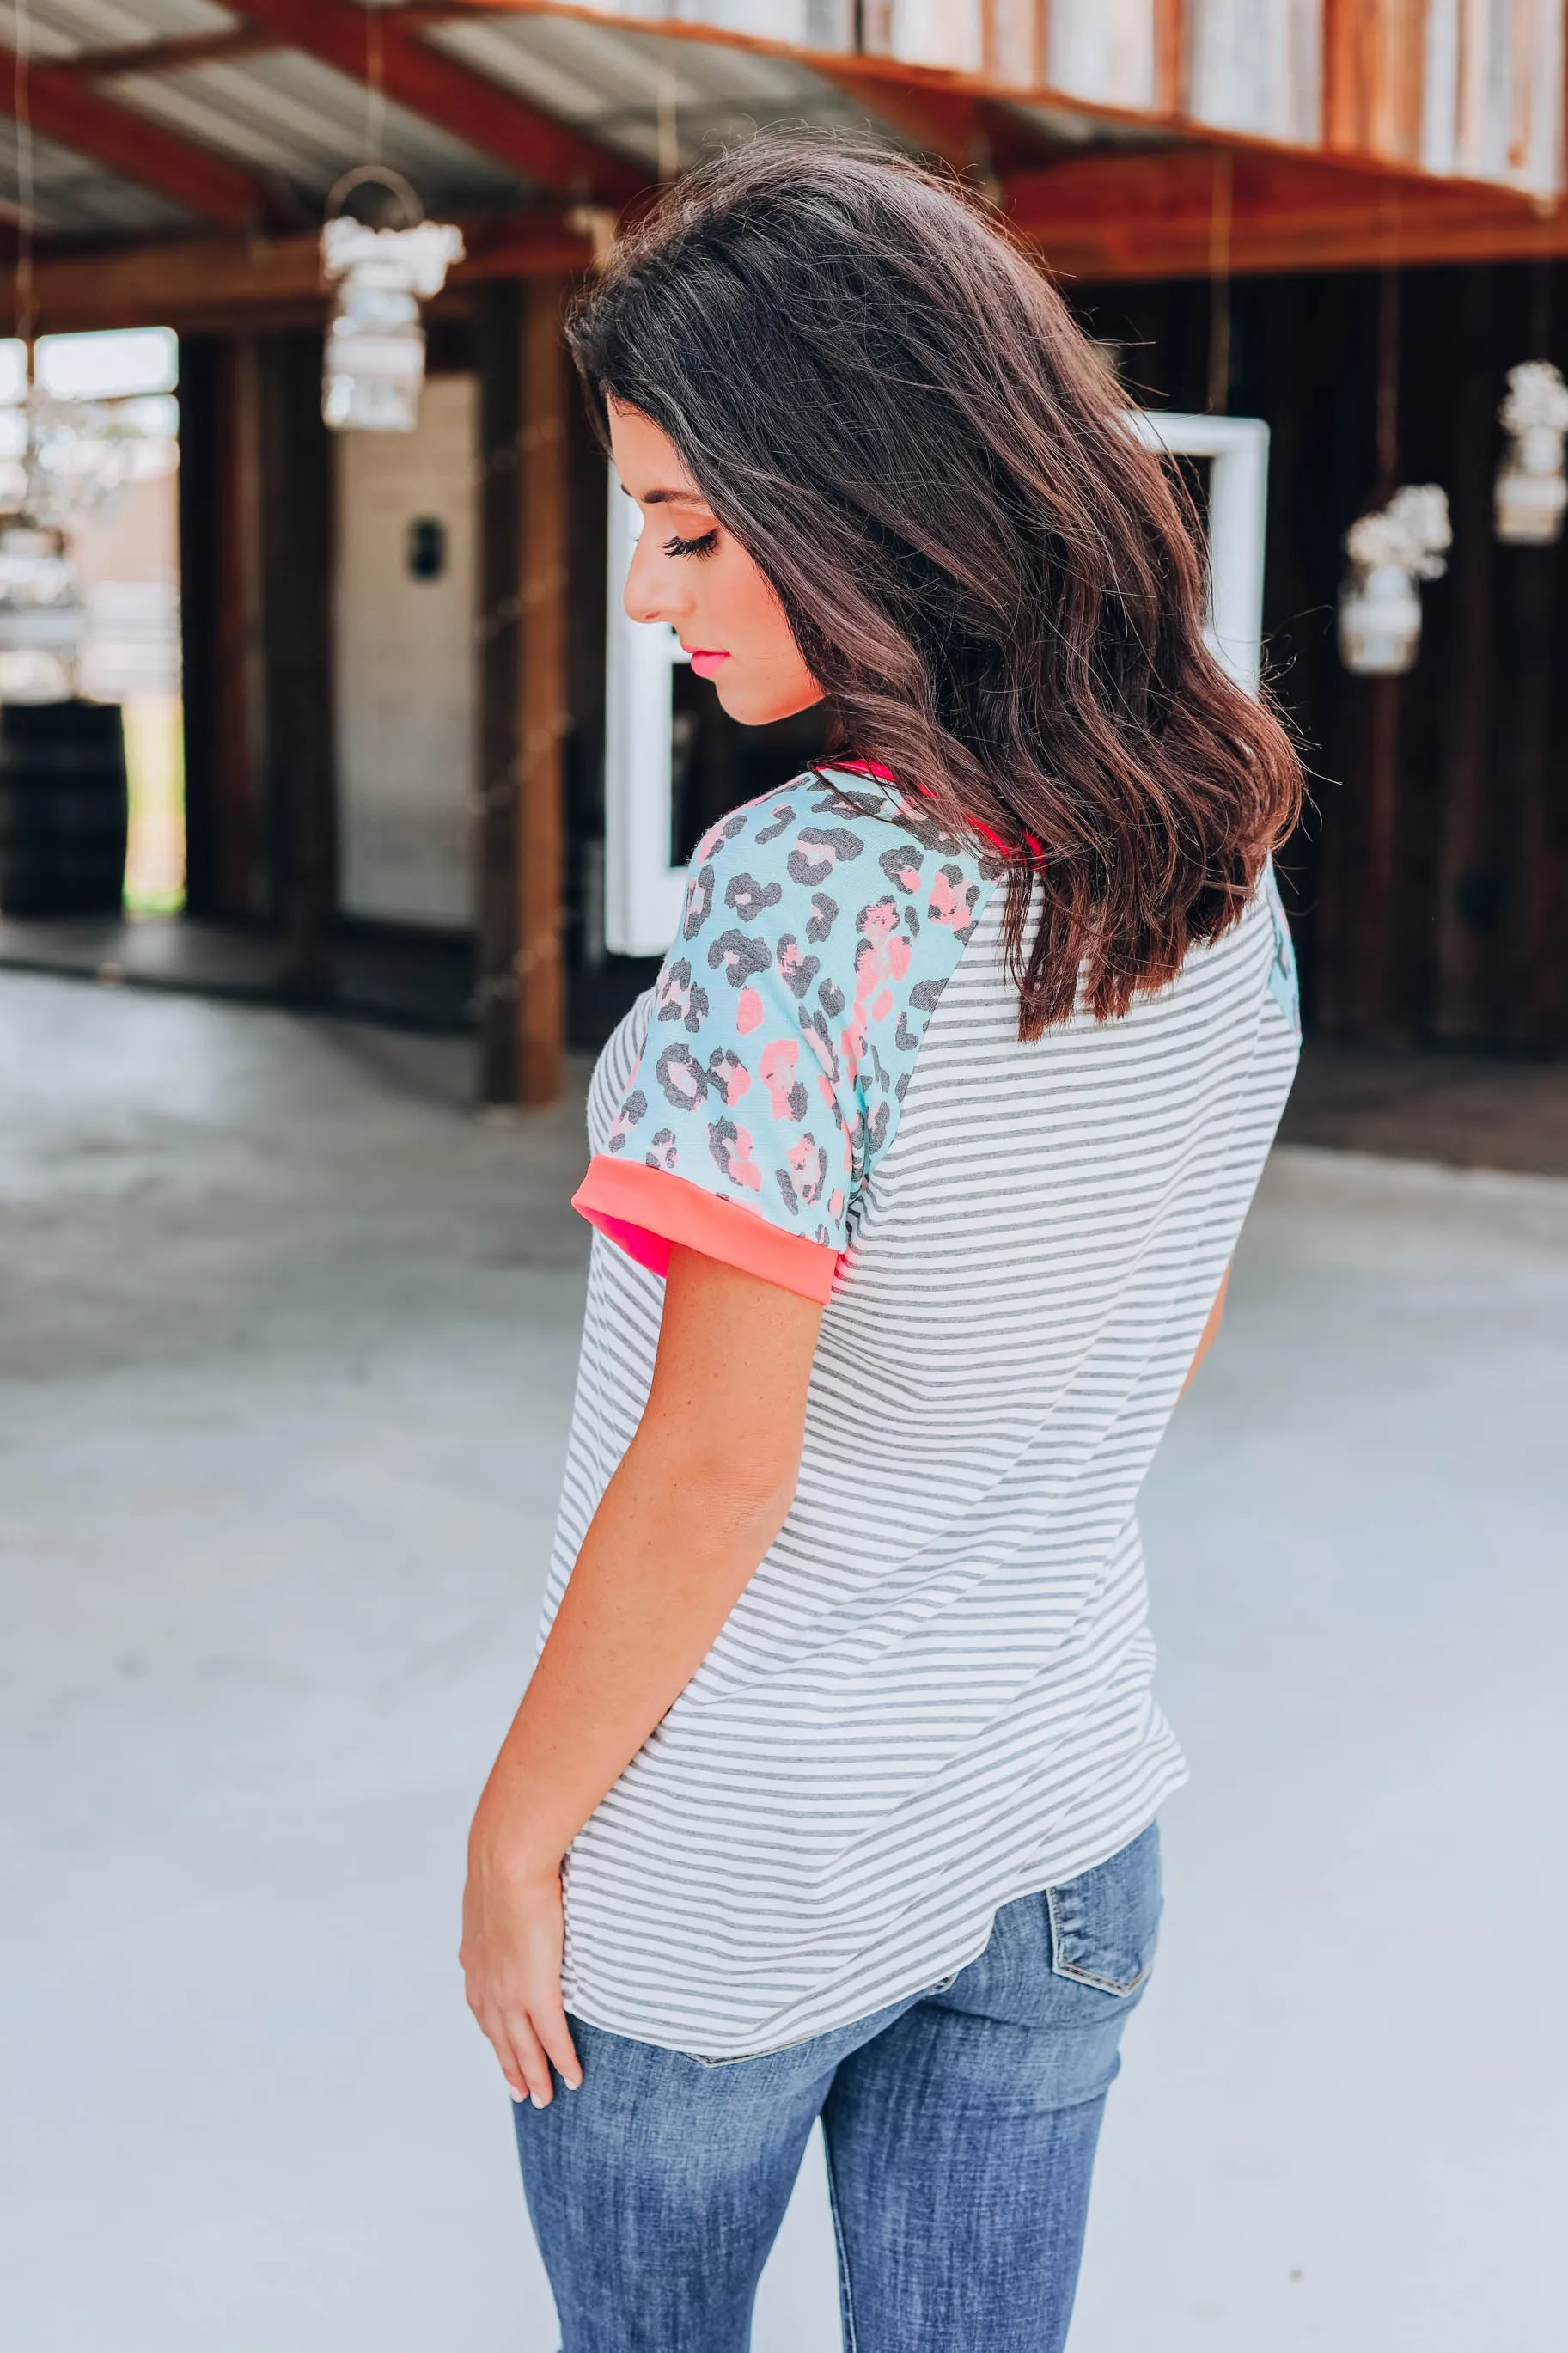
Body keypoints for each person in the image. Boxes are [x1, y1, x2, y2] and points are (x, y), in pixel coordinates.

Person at [461, 132, 1302, 2353]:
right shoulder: (1217, 862)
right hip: (1061, 1815)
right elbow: (1166, 1315)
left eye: (691, 528)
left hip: (742, 1865)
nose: (652, 594)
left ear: (874, 501)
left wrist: (518, 1835)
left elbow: (716, 1467)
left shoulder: (805, 893)